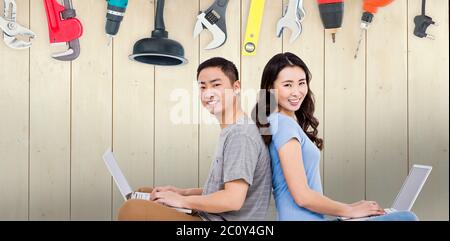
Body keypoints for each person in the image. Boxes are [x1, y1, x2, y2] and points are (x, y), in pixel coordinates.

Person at [252, 52, 418, 221]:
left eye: (301, 83)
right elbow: (302, 196)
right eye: (288, 85)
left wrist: (353, 208)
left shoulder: (277, 122)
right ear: (270, 88)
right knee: (406, 218)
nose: (297, 92)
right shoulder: (284, 126)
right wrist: (349, 211)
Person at [118, 57, 272, 221]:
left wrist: (183, 201)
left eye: (216, 85)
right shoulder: (232, 130)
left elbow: (232, 199)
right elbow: (220, 188)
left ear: (236, 87)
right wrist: (182, 192)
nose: (208, 93)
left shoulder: (241, 135)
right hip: (210, 216)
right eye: (203, 87)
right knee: (145, 194)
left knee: (133, 209)